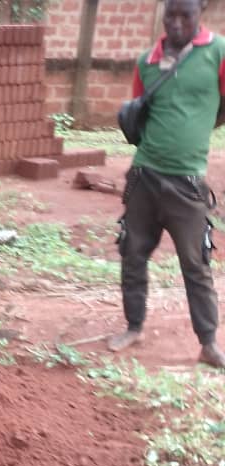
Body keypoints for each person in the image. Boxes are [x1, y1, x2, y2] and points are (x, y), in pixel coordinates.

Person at [110, 0, 225, 369]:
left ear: (199, 15)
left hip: (188, 183)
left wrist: (198, 127)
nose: (176, 23)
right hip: (144, 174)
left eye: (185, 16)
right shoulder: (147, 60)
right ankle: (134, 326)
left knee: (196, 263)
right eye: (170, 16)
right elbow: (138, 109)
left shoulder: (218, 52)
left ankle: (208, 342)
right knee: (132, 252)